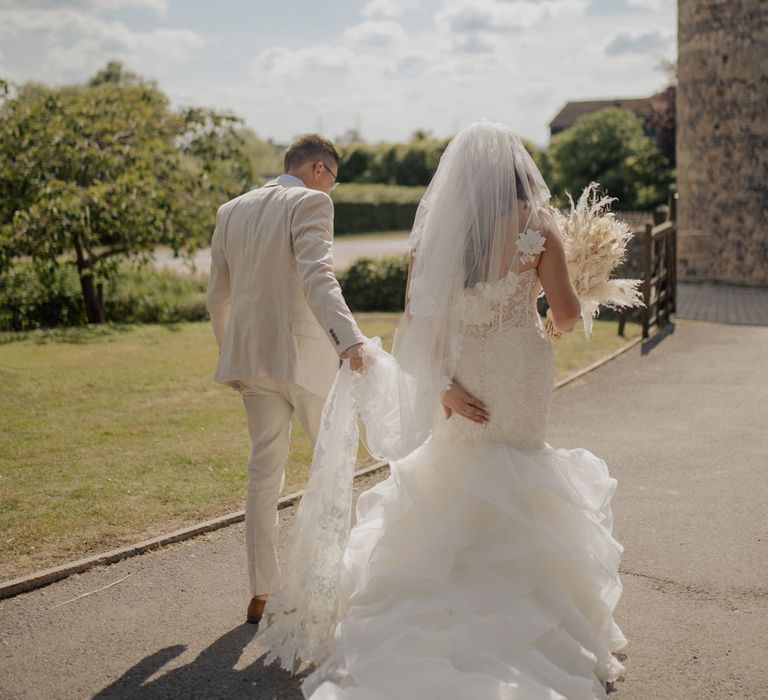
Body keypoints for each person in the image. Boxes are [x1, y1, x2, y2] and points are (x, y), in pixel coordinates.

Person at [258, 120, 628, 699]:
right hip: (519, 370)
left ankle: (434, 600)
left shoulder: (433, 227)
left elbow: (418, 321)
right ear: (516, 169)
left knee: (454, 468)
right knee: (521, 465)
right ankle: (525, 608)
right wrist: (570, 290)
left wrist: (441, 388)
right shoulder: (537, 224)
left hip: (456, 374)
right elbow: (562, 316)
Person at [206, 134, 369, 625]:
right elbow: (319, 276)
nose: (332, 190)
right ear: (320, 168)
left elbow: (218, 296)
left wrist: (230, 353)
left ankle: (261, 593)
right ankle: (327, 583)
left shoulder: (230, 210)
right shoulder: (312, 201)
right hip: (306, 357)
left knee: (263, 473)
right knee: (331, 464)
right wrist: (350, 340)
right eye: (334, 180)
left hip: (251, 361)